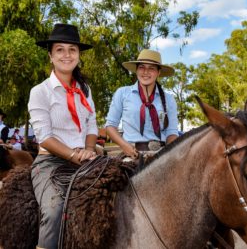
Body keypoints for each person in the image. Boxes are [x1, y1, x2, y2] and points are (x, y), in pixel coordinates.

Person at [28, 23, 98, 249]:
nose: (66, 55)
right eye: (60, 49)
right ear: (50, 55)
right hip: (50, 162)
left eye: (72, 49)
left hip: (84, 158)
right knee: (55, 208)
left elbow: (91, 125)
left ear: (78, 55)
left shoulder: (85, 89)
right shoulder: (40, 91)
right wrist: (73, 155)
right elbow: (45, 137)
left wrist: (88, 149)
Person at [105, 49, 179, 159]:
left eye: (151, 68)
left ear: (158, 72)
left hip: (161, 155)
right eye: (141, 67)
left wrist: (168, 154)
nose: (145, 72)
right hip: (131, 154)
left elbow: (172, 132)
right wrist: (124, 145)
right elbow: (110, 126)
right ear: (136, 70)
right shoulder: (122, 93)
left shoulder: (169, 99)